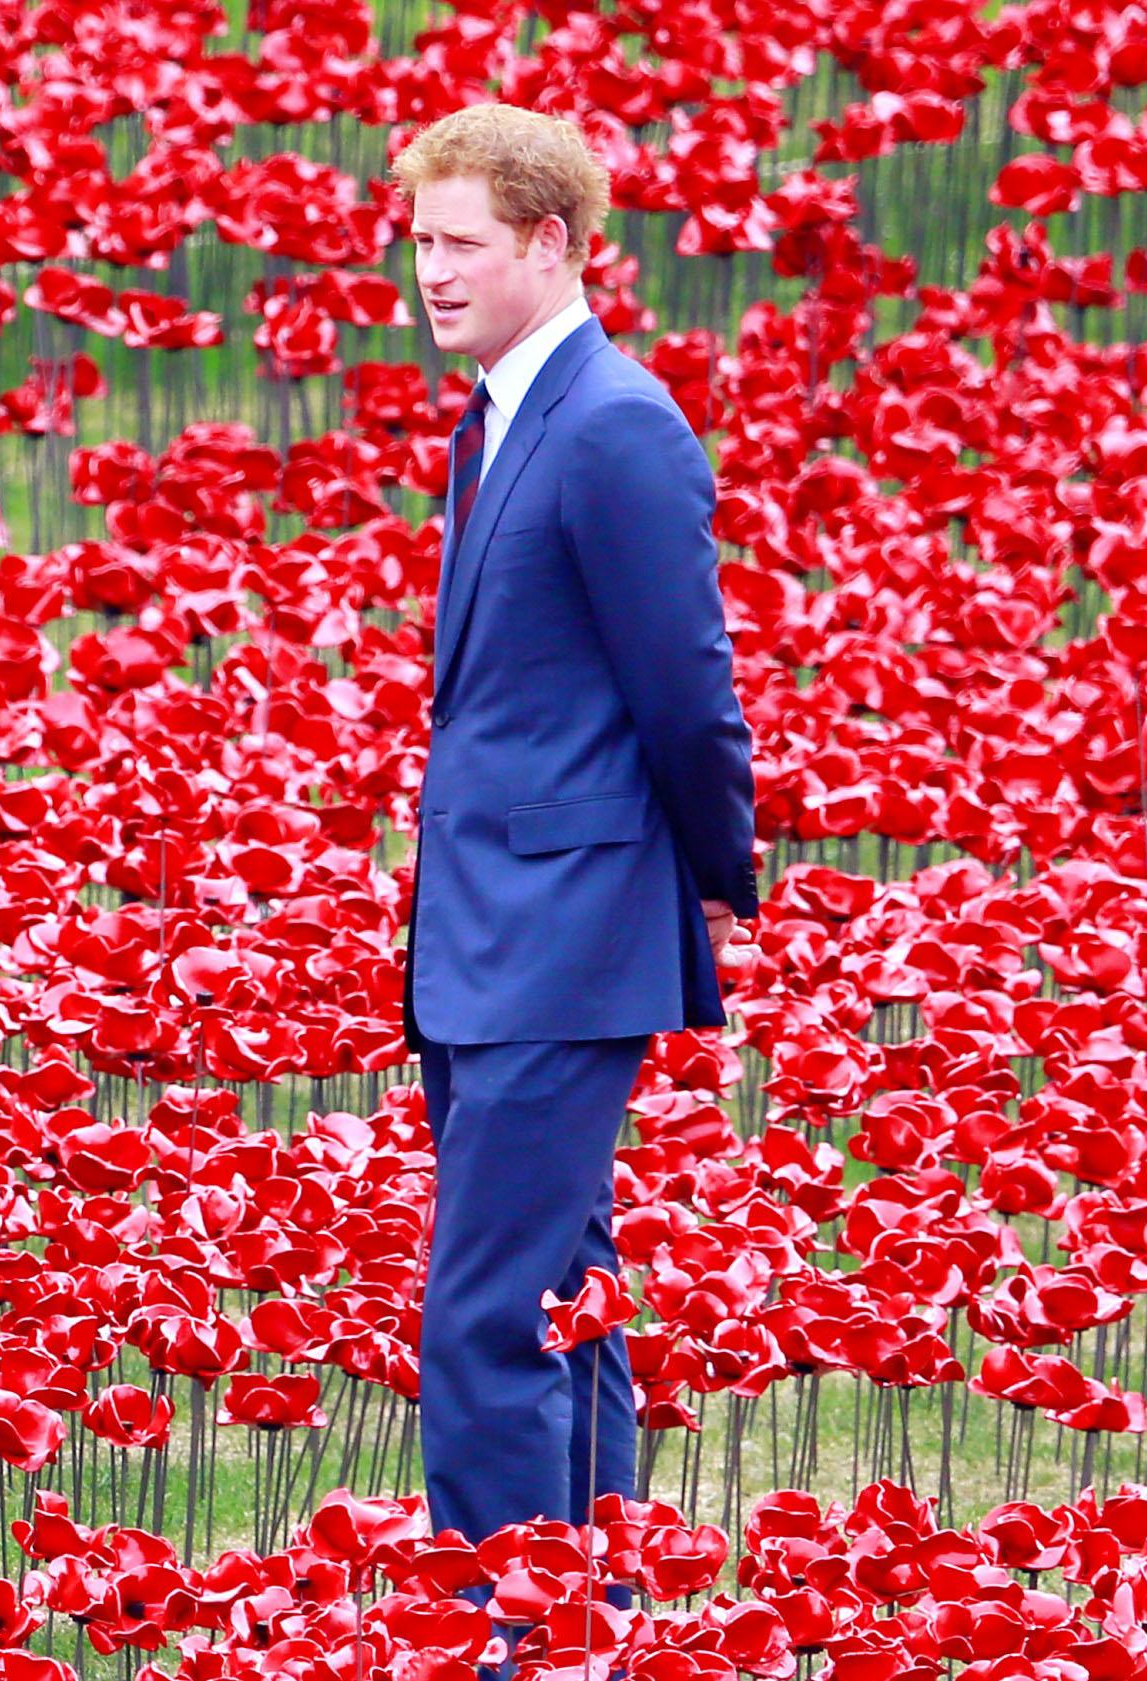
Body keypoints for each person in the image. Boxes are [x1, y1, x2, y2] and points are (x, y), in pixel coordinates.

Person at [393, 106, 759, 1553]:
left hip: (559, 935)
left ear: (551, 244)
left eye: (462, 244)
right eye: (420, 241)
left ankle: (493, 1623)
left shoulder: (611, 425)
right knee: (562, 1292)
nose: (431, 271)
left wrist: (717, 879)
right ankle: (591, 1601)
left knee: (485, 1317)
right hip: (490, 936)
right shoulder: (494, 415)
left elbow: (687, 687)